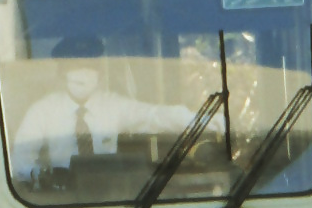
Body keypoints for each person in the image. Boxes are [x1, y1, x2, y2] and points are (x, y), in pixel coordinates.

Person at [12, 34, 192, 182]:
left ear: (100, 72)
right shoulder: (43, 110)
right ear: (62, 72)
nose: (83, 72)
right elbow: (20, 160)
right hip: (60, 200)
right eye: (75, 66)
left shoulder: (113, 105)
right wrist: (42, 177)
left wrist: (211, 121)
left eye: (89, 66)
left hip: (108, 195)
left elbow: (155, 116)